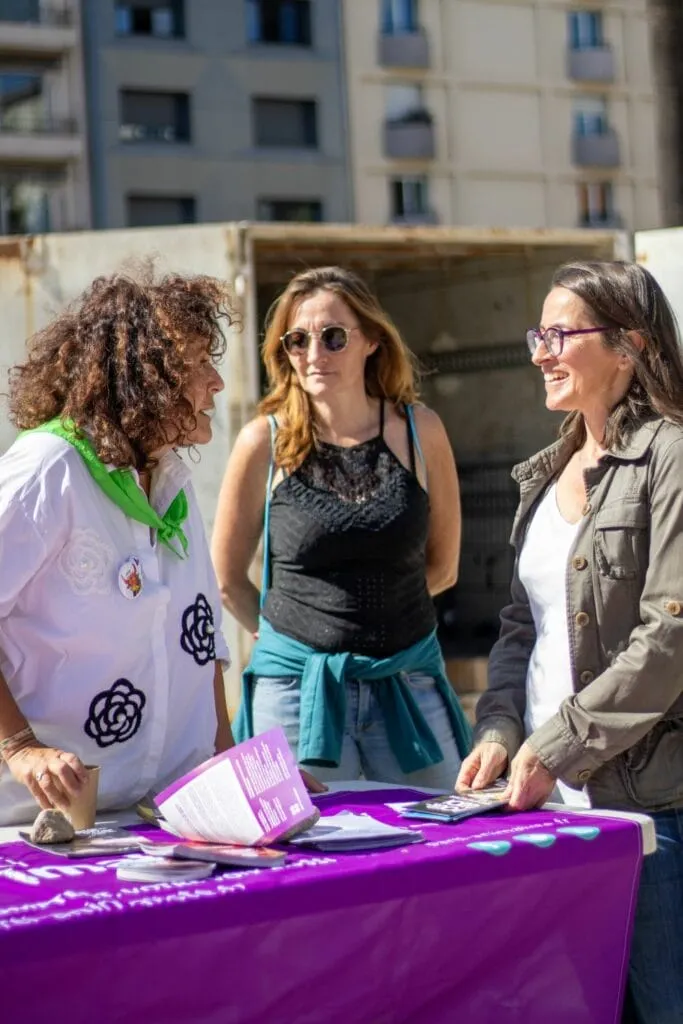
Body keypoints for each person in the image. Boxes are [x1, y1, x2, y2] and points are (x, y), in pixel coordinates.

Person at [456, 260, 683, 1024]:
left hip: (650, 814)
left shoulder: (672, 455)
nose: (540, 351)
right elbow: (523, 626)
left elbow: (670, 634)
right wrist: (499, 729)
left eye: (561, 333)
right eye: (536, 333)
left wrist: (557, 745)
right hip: (556, 811)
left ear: (629, 345)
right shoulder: (544, 474)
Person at [212, 265, 471, 788]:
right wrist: (285, 636)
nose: (314, 354)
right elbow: (226, 577)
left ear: (372, 340)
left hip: (407, 681)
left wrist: (379, 615)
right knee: (301, 857)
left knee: (437, 848)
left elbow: (443, 567)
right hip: (294, 693)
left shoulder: (422, 431)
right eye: (297, 340)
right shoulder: (262, 442)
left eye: (332, 337)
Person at [0, 269, 236, 826]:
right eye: (198, 361)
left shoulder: (171, 483)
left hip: (164, 818)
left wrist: (234, 770)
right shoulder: (48, 470)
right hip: (40, 829)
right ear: (142, 376)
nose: (217, 381)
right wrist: (20, 747)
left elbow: (203, 648)